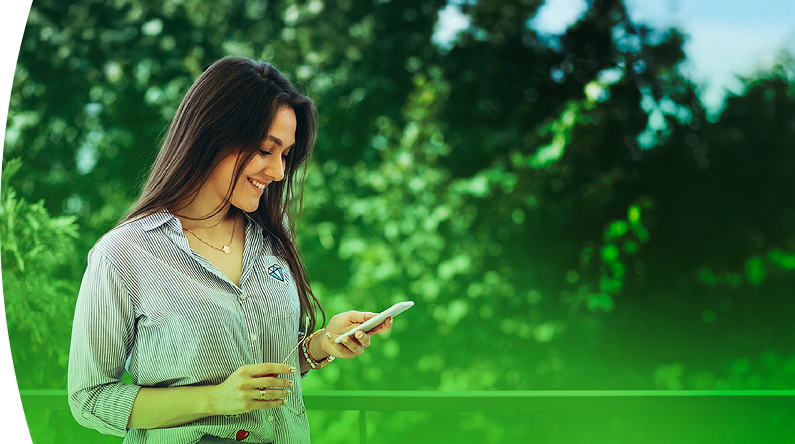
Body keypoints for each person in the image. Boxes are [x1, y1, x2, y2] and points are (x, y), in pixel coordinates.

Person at [68, 57, 392, 444]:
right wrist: (215, 399)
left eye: (285, 155)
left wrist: (322, 345)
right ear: (212, 137)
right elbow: (90, 398)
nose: (278, 172)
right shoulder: (123, 254)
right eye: (265, 150)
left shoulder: (272, 235)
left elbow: (264, 365)